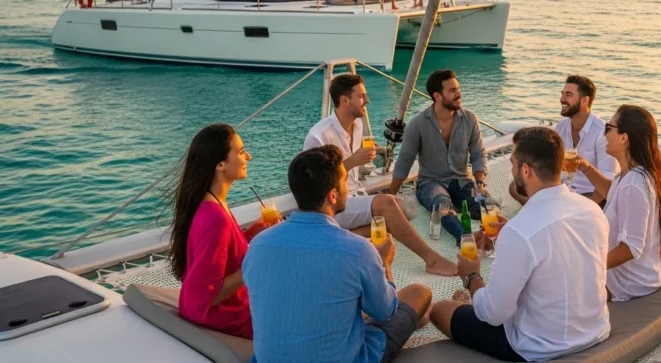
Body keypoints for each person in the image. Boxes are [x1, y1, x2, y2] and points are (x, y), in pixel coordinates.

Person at [430, 127, 610, 362]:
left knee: (440, 310)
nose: (511, 168)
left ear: (526, 170)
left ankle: (470, 297)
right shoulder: (592, 210)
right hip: (595, 331)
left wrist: (471, 276)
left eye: (513, 162)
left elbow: (493, 314)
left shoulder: (520, 232)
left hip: (539, 347)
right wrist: (512, 231)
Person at [244, 145, 433, 363]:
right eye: (344, 182)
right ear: (333, 196)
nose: (347, 189)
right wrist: (384, 262)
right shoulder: (358, 250)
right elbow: (385, 311)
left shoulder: (258, 245)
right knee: (419, 293)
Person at [304, 74, 457, 276]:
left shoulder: (357, 125)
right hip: (331, 206)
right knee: (386, 205)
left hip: (355, 196)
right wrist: (351, 162)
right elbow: (314, 186)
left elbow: (353, 157)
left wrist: (376, 150)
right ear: (344, 100)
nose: (367, 101)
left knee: (406, 210)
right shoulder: (319, 136)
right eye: (362, 96)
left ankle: (336, 237)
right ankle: (431, 259)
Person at [167, 124, 280, 339]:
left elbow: (219, 257)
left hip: (231, 308)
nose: (248, 156)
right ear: (220, 164)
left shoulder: (211, 202)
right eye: (240, 152)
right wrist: (256, 262)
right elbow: (209, 295)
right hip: (227, 318)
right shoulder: (216, 218)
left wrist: (250, 234)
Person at [574, 106, 661, 301]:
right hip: (645, 271)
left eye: (608, 128)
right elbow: (613, 193)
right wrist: (585, 168)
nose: (604, 134)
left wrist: (589, 266)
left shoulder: (633, 186)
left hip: (629, 280)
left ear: (624, 139)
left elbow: (631, 248)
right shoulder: (634, 173)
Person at [390, 69, 488, 243]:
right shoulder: (417, 124)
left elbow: (478, 153)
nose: (459, 94)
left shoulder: (470, 119)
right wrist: (390, 195)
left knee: (488, 204)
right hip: (431, 183)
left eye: (457, 89)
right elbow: (405, 161)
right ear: (437, 96)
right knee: (442, 204)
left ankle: (489, 229)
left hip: (463, 182)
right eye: (452, 91)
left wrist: (479, 180)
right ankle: (465, 238)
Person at [508, 75, 619, 206]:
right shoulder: (561, 127)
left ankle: (546, 211)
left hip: (590, 194)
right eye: (562, 94)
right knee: (515, 187)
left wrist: (587, 207)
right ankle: (542, 210)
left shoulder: (602, 133)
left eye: (568, 95)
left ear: (584, 101)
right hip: (563, 190)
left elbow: (608, 183)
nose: (562, 99)